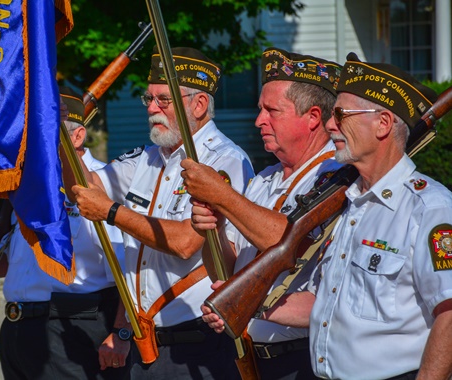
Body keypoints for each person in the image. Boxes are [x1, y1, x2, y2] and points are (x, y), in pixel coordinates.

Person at [204, 53, 452, 379]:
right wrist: (249, 304)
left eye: (341, 114)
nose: (331, 124)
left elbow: (448, 317)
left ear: (383, 123)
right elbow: (326, 303)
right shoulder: (348, 204)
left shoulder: (429, 208)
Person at [62, 47, 254, 379]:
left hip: (199, 341)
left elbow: (185, 242)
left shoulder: (225, 160)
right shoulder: (148, 158)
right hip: (148, 343)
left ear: (198, 104)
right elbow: (85, 184)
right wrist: (59, 136)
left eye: (163, 100)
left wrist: (111, 212)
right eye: (148, 99)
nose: (152, 109)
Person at [181, 48, 342, 379]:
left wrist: (223, 196)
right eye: (260, 110)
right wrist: (211, 228)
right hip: (245, 357)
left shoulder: (337, 179)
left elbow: (285, 239)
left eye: (272, 111)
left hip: (300, 360)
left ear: (313, 117)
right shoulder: (265, 180)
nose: (259, 121)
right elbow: (226, 266)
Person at [0, 86, 132, 380]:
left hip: (73, 327)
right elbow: (19, 260)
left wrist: (121, 333)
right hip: (17, 328)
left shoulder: (104, 184)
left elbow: (129, 268)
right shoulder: (27, 186)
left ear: (77, 136)